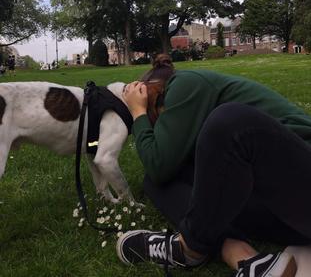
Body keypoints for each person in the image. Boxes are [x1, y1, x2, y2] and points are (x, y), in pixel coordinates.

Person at [116, 54, 311, 277]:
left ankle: (188, 248)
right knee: (156, 182)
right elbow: (158, 172)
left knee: (230, 122)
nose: (163, 129)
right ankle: (248, 259)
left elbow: (158, 162)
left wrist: (138, 113)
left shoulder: (185, 83)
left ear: (153, 90)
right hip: (284, 215)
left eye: (158, 120)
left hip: (301, 182)